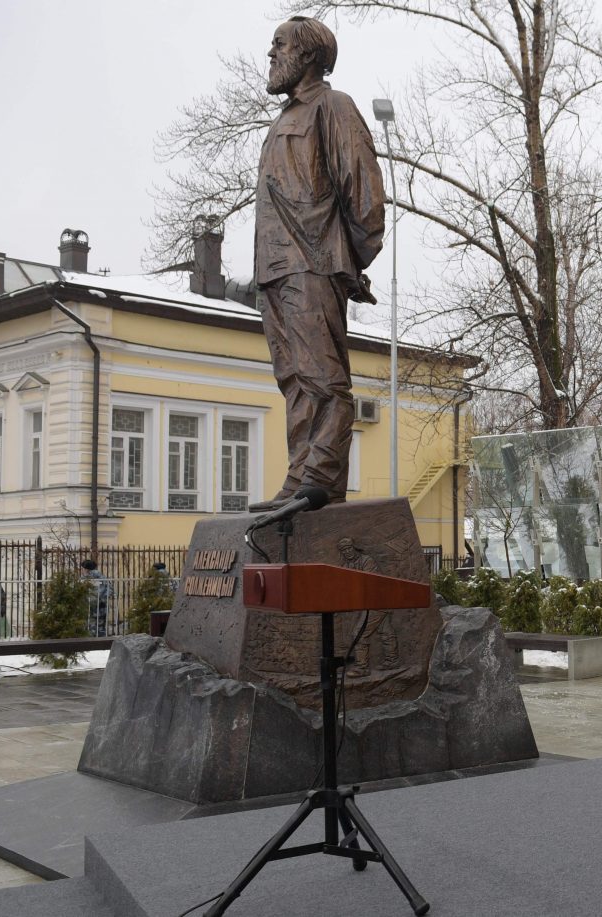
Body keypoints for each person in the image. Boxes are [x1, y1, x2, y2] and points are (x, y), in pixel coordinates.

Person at [253, 16, 385, 508]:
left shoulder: (333, 106)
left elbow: (364, 192)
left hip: (313, 261)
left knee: (323, 376)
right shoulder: (281, 120)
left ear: (308, 55)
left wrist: (345, 258)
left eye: (279, 45)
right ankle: (301, 476)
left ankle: (323, 478)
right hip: (274, 268)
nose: (271, 55)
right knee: (293, 378)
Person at [338, 536, 399, 677]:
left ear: (355, 548)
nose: (347, 552)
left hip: (377, 602)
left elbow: (368, 582)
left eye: (349, 548)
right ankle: (392, 660)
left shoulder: (367, 560)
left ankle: (362, 667)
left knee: (359, 633)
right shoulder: (346, 565)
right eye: (344, 550)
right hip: (372, 604)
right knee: (385, 631)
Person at [81, 559, 114, 637]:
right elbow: (110, 589)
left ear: (87, 569)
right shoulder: (102, 577)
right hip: (100, 606)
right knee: (100, 628)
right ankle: (101, 645)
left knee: (91, 628)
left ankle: (94, 645)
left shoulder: (84, 579)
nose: (82, 570)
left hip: (91, 607)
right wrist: (103, 598)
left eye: (83, 568)